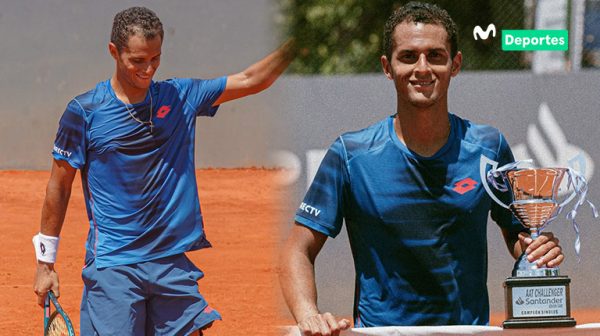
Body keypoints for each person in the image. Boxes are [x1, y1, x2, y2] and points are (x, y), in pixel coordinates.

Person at [279, 2, 563, 335]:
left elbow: (518, 236)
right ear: (388, 67)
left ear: (455, 64)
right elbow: (298, 249)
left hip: (467, 332)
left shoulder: (488, 147)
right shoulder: (350, 154)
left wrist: (535, 249)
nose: (423, 68)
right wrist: (308, 313)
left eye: (436, 56)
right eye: (409, 56)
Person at [32, 6, 294, 335]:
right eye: (138, 60)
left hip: (170, 263)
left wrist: (299, 42)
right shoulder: (84, 112)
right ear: (114, 52)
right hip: (114, 266)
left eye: (155, 58)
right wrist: (45, 263)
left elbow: (253, 79)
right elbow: (59, 187)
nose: (148, 69)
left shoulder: (179, 96)